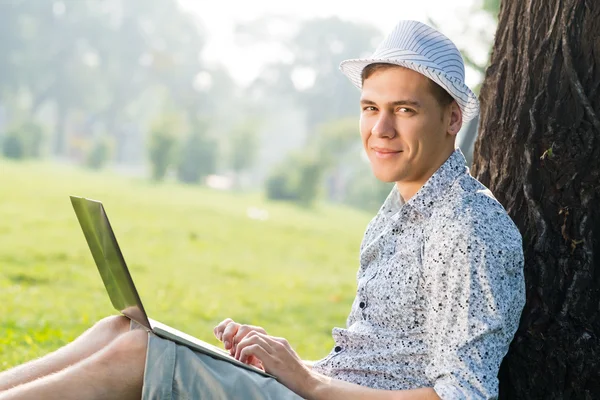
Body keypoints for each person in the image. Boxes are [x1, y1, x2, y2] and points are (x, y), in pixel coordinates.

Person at [0, 20, 525, 400]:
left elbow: (465, 396)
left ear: (452, 118)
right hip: (316, 387)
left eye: (404, 111)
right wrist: (284, 362)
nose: (380, 130)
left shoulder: (468, 227)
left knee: (137, 357)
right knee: (125, 329)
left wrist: (307, 380)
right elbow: (374, 361)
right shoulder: (401, 209)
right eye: (370, 108)